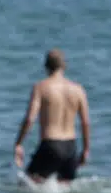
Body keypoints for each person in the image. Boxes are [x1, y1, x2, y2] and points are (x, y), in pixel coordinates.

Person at [13, 49, 91, 183]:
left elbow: (30, 119)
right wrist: (86, 149)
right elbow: (85, 122)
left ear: (46, 66)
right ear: (64, 66)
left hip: (50, 144)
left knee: (26, 185)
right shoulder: (78, 89)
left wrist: (19, 143)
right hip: (70, 147)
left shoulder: (41, 88)